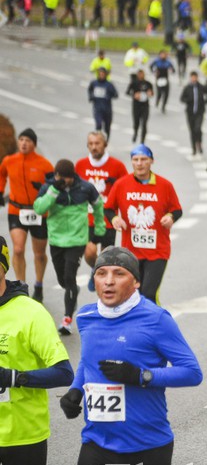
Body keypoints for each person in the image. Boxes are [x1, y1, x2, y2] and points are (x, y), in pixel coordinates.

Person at [59, 246, 203, 465]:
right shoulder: (87, 318)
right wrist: (76, 390)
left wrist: (142, 376)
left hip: (148, 450)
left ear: (135, 281)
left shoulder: (156, 319)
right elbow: (89, 362)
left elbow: (192, 372)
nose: (108, 280)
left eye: (118, 273)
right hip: (98, 448)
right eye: (101, 273)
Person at [0, 235, 74, 465]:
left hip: (23, 436)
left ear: (3, 267)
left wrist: (13, 377)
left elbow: (63, 371)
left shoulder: (30, 313)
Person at [33, 160, 105, 335]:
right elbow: (39, 208)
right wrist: (54, 190)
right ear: (56, 175)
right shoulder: (48, 188)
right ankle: (72, 291)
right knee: (63, 281)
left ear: (72, 176)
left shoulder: (85, 188)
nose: (63, 180)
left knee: (69, 276)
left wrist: (99, 227)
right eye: (59, 177)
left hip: (77, 240)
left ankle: (67, 319)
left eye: (66, 178)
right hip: (56, 240)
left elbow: (98, 205)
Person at [103, 145, 182, 304]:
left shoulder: (164, 185)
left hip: (158, 251)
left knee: (148, 294)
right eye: (135, 160)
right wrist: (114, 219)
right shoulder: (121, 184)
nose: (139, 163)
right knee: (133, 295)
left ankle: (152, 325)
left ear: (151, 161)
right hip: (131, 252)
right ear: (131, 162)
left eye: (144, 159)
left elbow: (177, 210)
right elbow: (109, 208)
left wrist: (170, 217)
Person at [0, 128, 53, 302]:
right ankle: (22, 287)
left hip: (38, 212)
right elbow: (2, 175)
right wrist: (1, 191)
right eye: (21, 139)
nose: (23, 143)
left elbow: (54, 185)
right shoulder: (9, 161)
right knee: (18, 249)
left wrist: (46, 193)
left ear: (34, 144)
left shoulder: (44, 164)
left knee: (39, 253)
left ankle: (38, 284)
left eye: (28, 140)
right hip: (17, 210)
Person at [75, 131, 128, 293]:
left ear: (105, 145)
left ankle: (103, 283)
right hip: (87, 219)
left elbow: (125, 190)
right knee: (89, 252)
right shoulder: (81, 165)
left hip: (107, 219)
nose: (94, 147)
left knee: (106, 258)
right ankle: (95, 269)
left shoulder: (117, 166)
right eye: (90, 144)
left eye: (97, 143)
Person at [180, 71, 207, 157]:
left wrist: (205, 102)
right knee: (192, 130)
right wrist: (188, 100)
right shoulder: (187, 88)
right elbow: (182, 98)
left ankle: (199, 143)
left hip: (199, 112)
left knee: (197, 129)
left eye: (195, 77)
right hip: (190, 112)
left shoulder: (201, 87)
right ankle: (194, 148)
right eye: (192, 77)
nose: (194, 79)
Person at [87, 67, 118, 139]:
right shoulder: (94, 83)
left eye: (103, 74)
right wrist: (91, 97)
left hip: (107, 109)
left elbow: (116, 94)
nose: (101, 75)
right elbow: (90, 90)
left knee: (107, 127)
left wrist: (108, 96)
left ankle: (106, 142)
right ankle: (98, 141)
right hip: (97, 108)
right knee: (98, 125)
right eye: (100, 74)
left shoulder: (109, 85)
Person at [126, 69, 154, 144]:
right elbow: (127, 92)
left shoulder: (148, 83)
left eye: (142, 74)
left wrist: (150, 93)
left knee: (144, 123)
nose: (141, 75)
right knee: (136, 122)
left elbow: (152, 93)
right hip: (136, 106)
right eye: (139, 74)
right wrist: (134, 95)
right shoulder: (134, 83)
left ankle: (142, 141)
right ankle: (135, 132)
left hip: (145, 106)